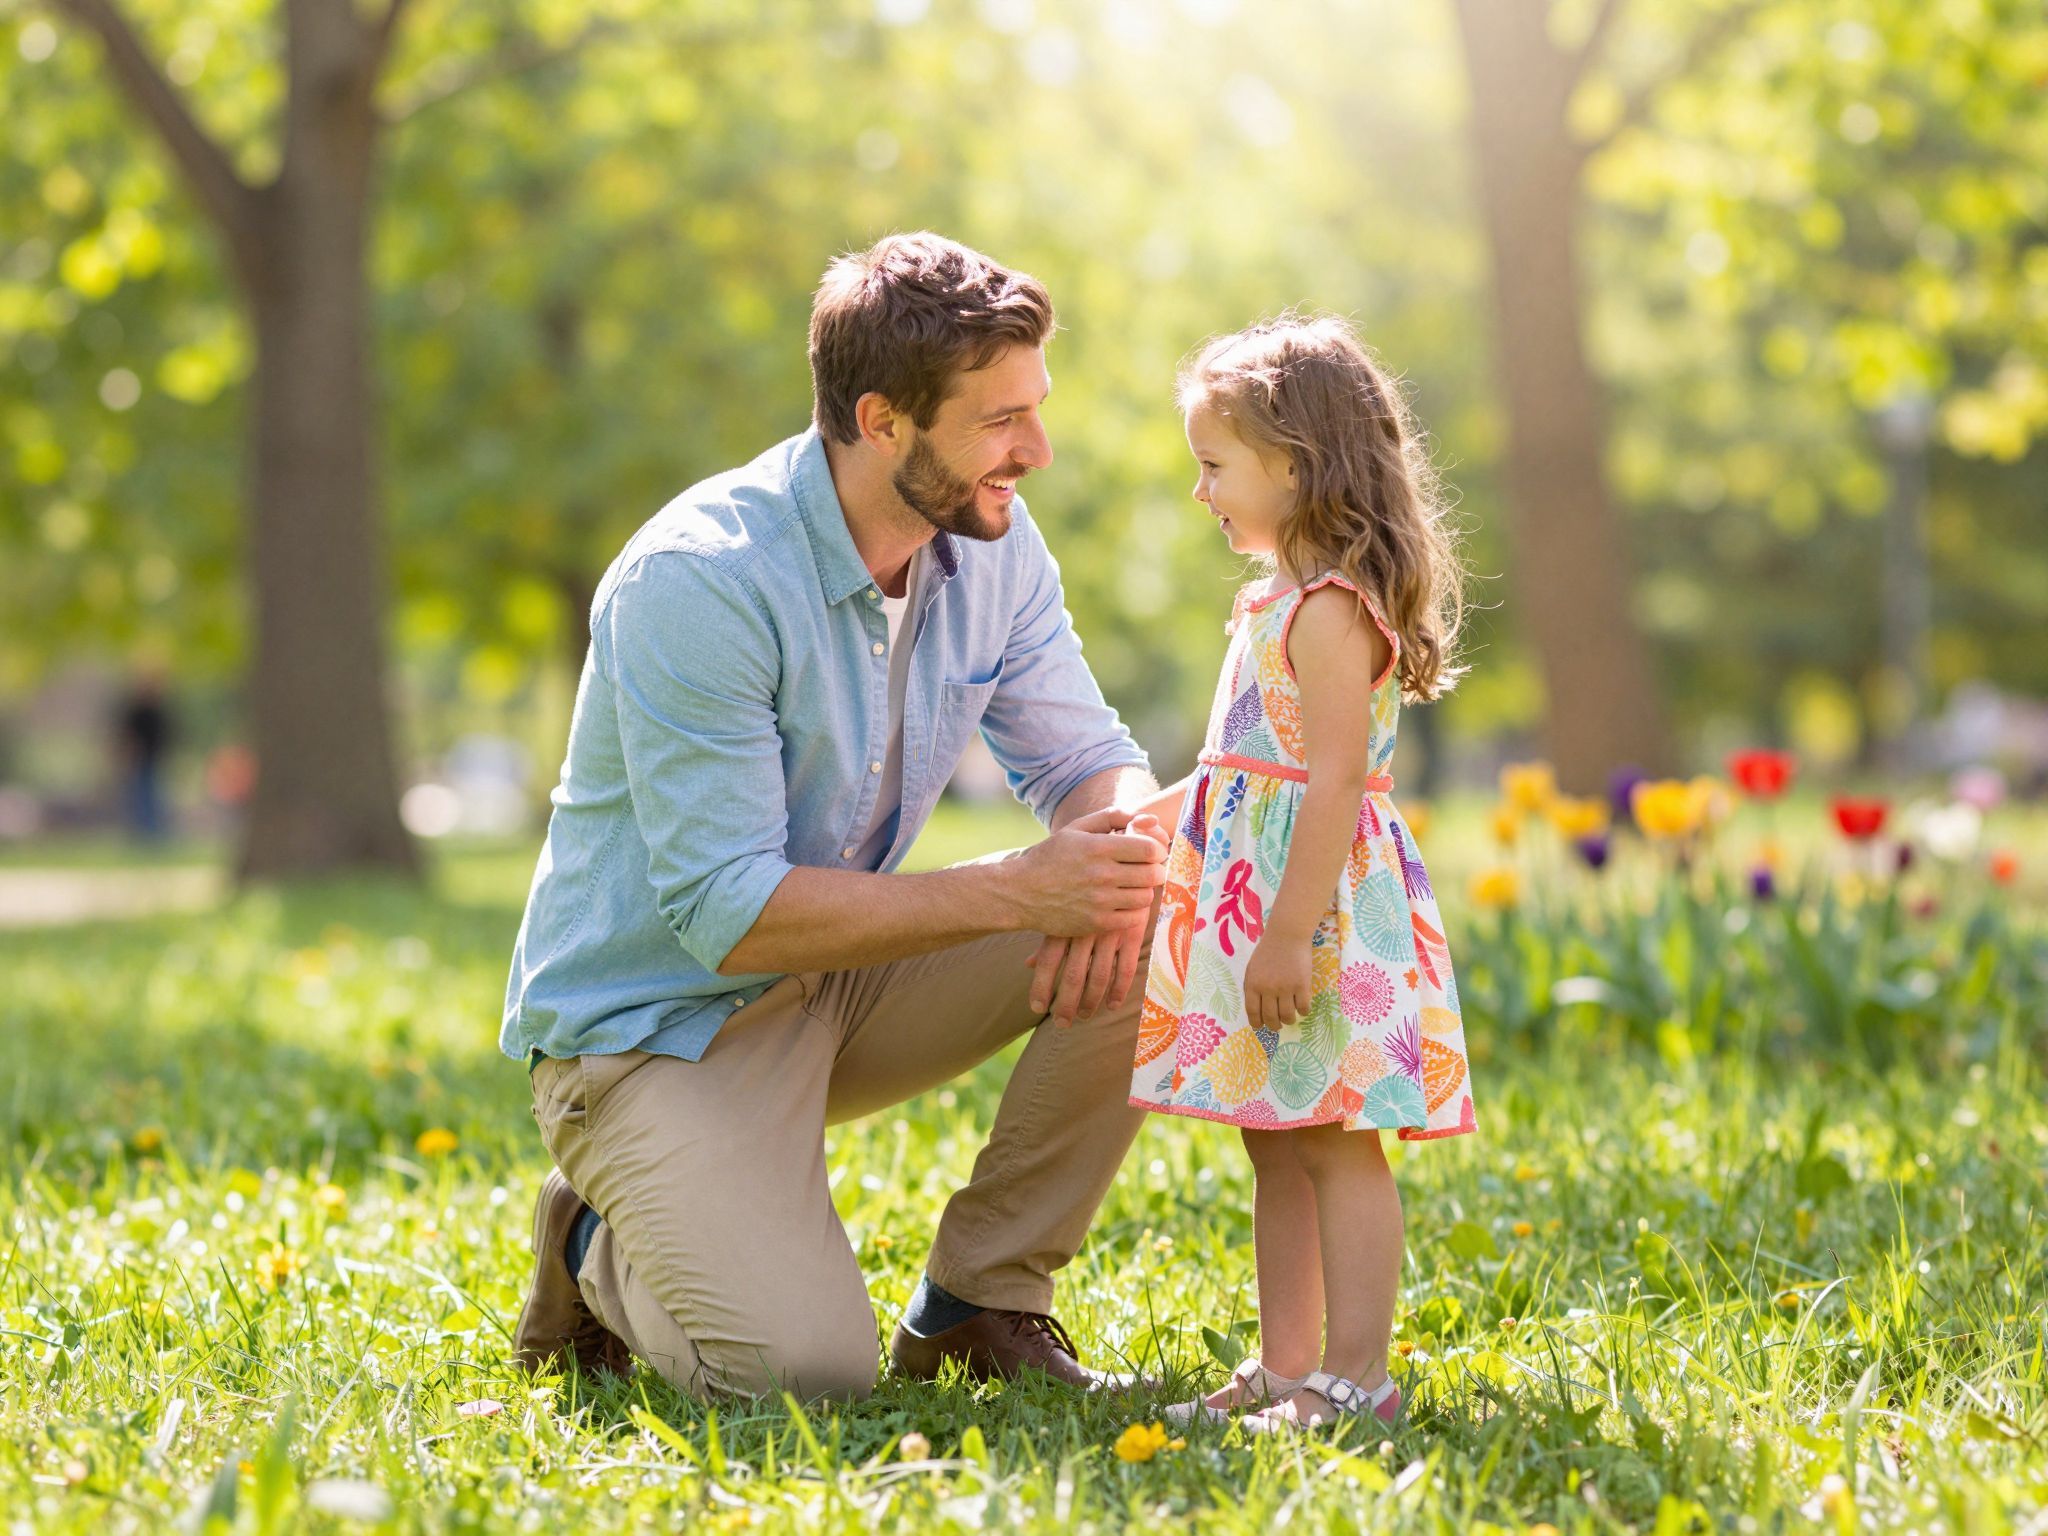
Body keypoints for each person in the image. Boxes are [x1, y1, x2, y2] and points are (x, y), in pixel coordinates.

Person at [504, 232, 1171, 1402]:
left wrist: (1113, 845)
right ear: (881, 421)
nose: (1037, 450)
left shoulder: (988, 540)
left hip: (842, 978)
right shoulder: (700, 581)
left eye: (1036, 408)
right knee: (799, 1375)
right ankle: (589, 1240)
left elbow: (1086, 757)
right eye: (997, 420)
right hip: (655, 1029)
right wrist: (1021, 889)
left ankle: (981, 1301)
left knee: (1151, 899)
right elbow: (727, 918)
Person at [1125, 314, 1475, 1432]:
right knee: (1273, 1139)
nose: (1199, 492)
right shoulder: (1268, 595)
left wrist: (1286, 934)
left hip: (1311, 917)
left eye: (1212, 466)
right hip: (1250, 907)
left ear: (1294, 463)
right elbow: (1244, 764)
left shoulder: (1329, 612)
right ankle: (1286, 1369)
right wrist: (1161, 820)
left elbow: (1329, 784)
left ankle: (1357, 1379)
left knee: (1334, 1142)